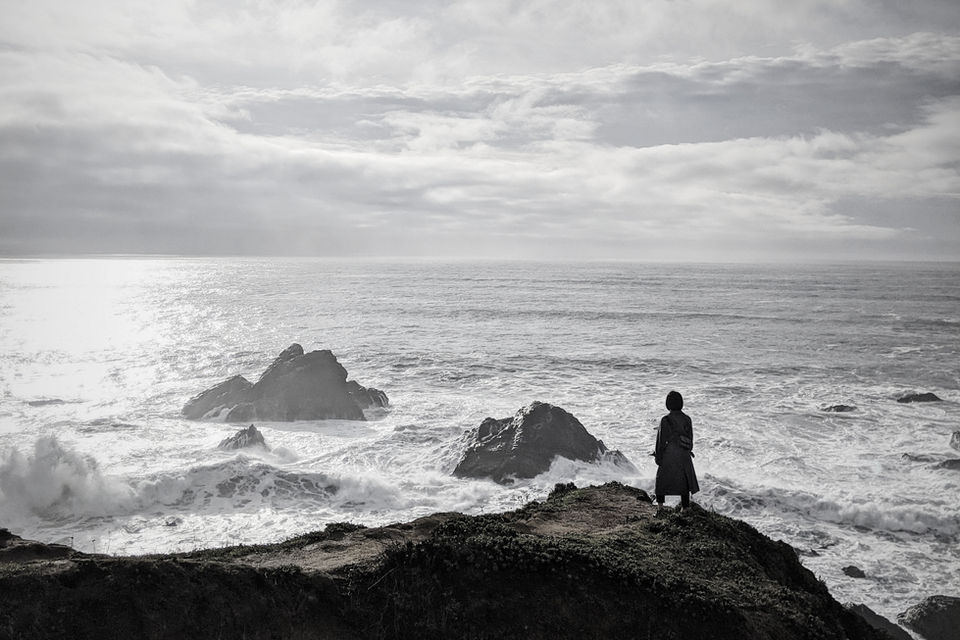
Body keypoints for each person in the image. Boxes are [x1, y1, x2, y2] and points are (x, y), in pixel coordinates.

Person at [654, 390, 700, 510]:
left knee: (661, 481)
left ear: (668, 404)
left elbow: (660, 441)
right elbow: (690, 440)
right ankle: (685, 509)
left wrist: (658, 457)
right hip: (684, 455)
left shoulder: (665, 420)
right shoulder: (687, 419)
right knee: (683, 483)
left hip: (669, 454)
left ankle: (660, 509)